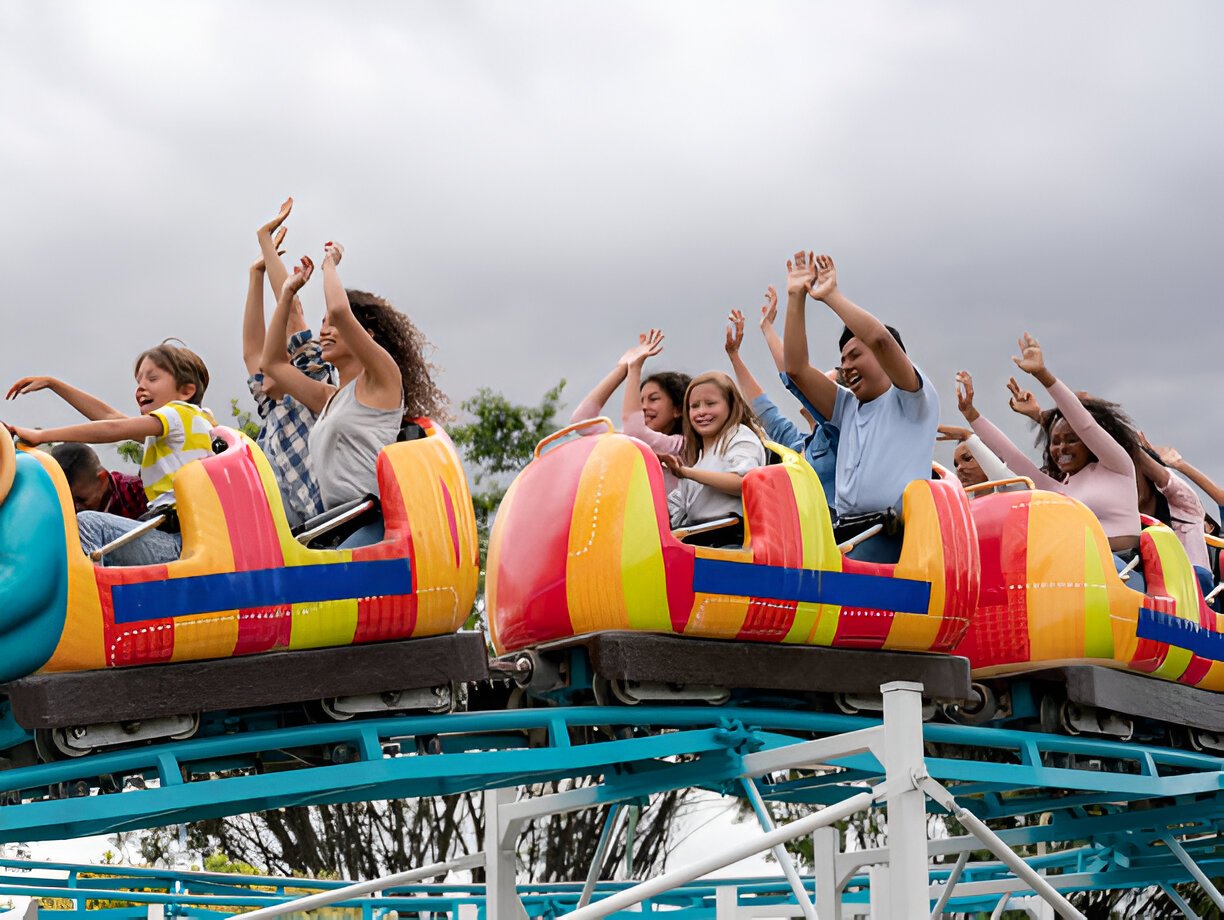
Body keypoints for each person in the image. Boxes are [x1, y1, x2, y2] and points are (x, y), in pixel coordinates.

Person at [262, 244, 446, 543]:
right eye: (322, 325)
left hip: (372, 522)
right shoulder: (329, 398)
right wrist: (286, 296)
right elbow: (271, 364)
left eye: (334, 325)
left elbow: (338, 309)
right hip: (335, 525)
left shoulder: (383, 380)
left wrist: (329, 265)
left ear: (366, 332)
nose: (325, 331)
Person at [781, 251, 939, 560]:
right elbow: (797, 370)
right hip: (848, 531)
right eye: (842, 360)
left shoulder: (912, 397)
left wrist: (831, 297)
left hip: (894, 535)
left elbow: (880, 339)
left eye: (855, 355)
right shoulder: (847, 407)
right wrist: (795, 297)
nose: (847, 366)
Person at [957, 333, 1144, 589]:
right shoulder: (1059, 488)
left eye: (1070, 440)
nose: (1061, 448)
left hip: (1122, 570)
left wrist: (1043, 375)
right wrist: (972, 416)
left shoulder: (1117, 466)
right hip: (1076, 574)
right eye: (1055, 442)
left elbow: (1085, 423)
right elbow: (1011, 458)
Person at [6, 342, 214, 566]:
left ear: (186, 391)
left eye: (152, 379)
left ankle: (84, 598)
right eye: (139, 381)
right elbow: (110, 417)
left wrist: (42, 436)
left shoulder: (177, 414)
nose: (141, 387)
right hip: (185, 539)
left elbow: (112, 429)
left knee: (87, 525)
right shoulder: (192, 426)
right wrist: (53, 384)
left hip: (177, 542)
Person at [243, 198, 335, 527]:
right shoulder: (274, 415)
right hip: (294, 536)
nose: (262, 368)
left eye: (274, 361)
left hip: (329, 525)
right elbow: (252, 353)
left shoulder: (312, 386)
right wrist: (256, 275)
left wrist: (266, 242)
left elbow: (293, 312)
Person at [723, 295, 838, 509]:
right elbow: (764, 410)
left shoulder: (839, 438)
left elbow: (795, 376)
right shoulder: (797, 444)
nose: (812, 388)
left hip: (840, 532)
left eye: (825, 382)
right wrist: (734, 356)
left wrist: (769, 331)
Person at [569, 332, 691, 488]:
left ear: (678, 409)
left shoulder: (682, 445)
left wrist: (635, 368)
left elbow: (636, 432)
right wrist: (623, 368)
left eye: (653, 399)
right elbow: (581, 423)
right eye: (639, 401)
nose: (644, 407)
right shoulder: (630, 438)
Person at [660, 372, 766, 535]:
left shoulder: (739, 435)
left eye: (710, 403)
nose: (701, 411)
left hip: (730, 542)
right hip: (699, 542)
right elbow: (675, 509)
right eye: (694, 406)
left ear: (730, 405)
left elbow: (744, 482)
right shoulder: (696, 459)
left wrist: (686, 473)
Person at [48, 443, 148, 519]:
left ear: (103, 478)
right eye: (68, 501)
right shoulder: (53, 510)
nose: (76, 508)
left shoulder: (136, 493)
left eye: (81, 500)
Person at [935, 421, 1018, 494]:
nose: (959, 468)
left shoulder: (1013, 491)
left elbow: (1008, 481)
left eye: (967, 458)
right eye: (956, 464)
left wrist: (966, 435)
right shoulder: (958, 506)